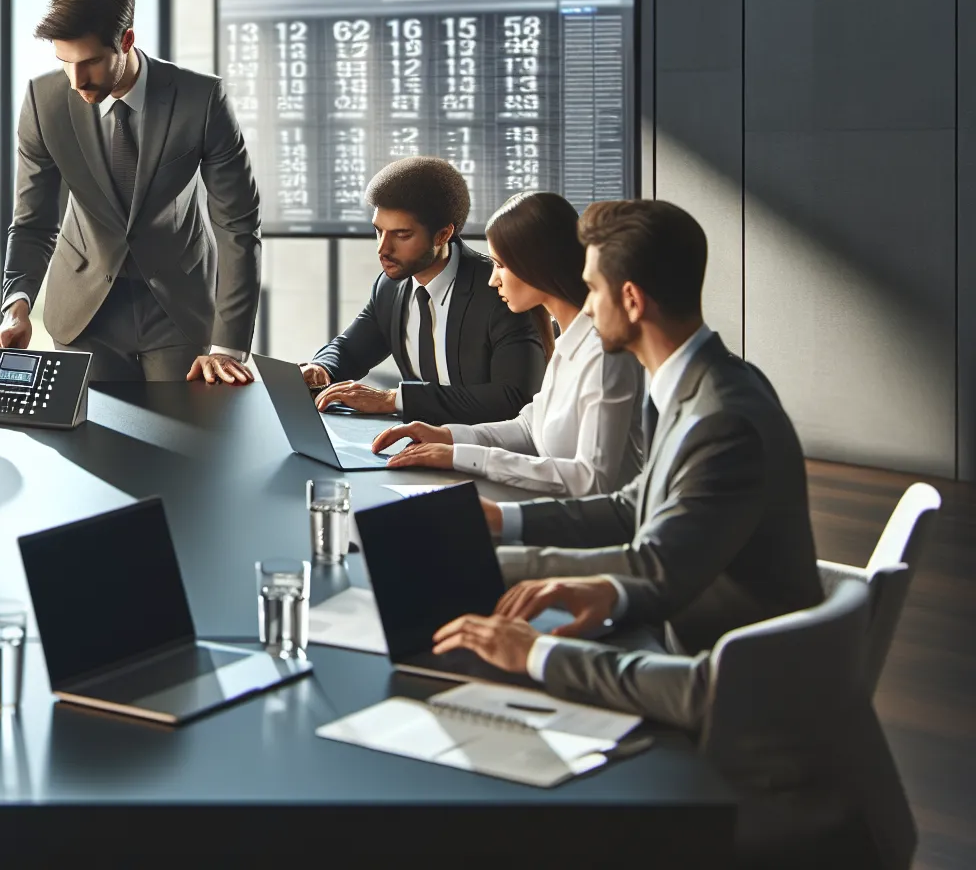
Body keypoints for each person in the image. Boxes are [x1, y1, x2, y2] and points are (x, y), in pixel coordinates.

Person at [483, 199, 822, 654]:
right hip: (678, 627)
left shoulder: (723, 419)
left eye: (592, 291)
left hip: (717, 662)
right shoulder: (701, 381)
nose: (586, 309)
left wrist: (498, 563)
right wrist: (503, 520)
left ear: (631, 300)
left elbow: (655, 565)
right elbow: (633, 506)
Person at [432, 578, 915, 868]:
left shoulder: (727, 420)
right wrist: (613, 592)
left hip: (737, 787)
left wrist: (539, 651)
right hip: (804, 766)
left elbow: (700, 690)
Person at [0, 0, 261, 384]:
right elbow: (32, 221)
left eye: (92, 62)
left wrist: (228, 347)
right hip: (84, 311)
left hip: (179, 308)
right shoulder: (43, 102)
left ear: (127, 40)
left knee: (184, 443)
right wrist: (17, 306)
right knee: (92, 444)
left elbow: (237, 224)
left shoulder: (201, 100)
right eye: (65, 63)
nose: (77, 80)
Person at [371, 191, 643, 495]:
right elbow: (528, 427)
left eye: (500, 265)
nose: (492, 280)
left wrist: (461, 457)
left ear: (536, 265)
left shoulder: (604, 354)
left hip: (596, 527)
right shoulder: (567, 341)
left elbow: (590, 479)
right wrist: (446, 436)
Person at [303, 157, 546, 424]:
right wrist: (321, 368)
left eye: (402, 234)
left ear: (443, 235)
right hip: (415, 444)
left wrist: (393, 400)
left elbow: (513, 398)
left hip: (485, 450)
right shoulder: (390, 286)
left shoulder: (500, 292)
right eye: (378, 231)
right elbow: (351, 349)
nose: (383, 249)